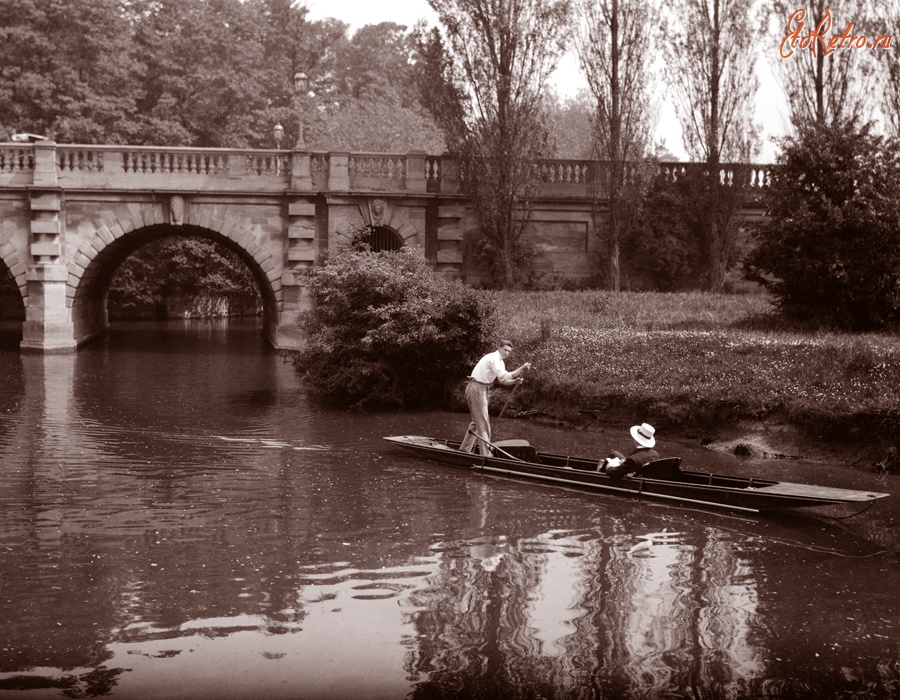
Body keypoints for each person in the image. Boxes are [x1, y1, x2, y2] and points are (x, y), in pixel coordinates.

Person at [459, 340, 531, 455]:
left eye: (509, 351)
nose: (507, 353)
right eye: (505, 350)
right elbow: (505, 375)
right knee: (483, 422)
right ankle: (486, 455)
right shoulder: (494, 358)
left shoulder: (500, 362)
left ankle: (464, 450)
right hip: (477, 388)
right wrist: (522, 369)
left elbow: (503, 380)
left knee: (476, 423)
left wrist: (514, 382)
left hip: (478, 388)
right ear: (499, 348)